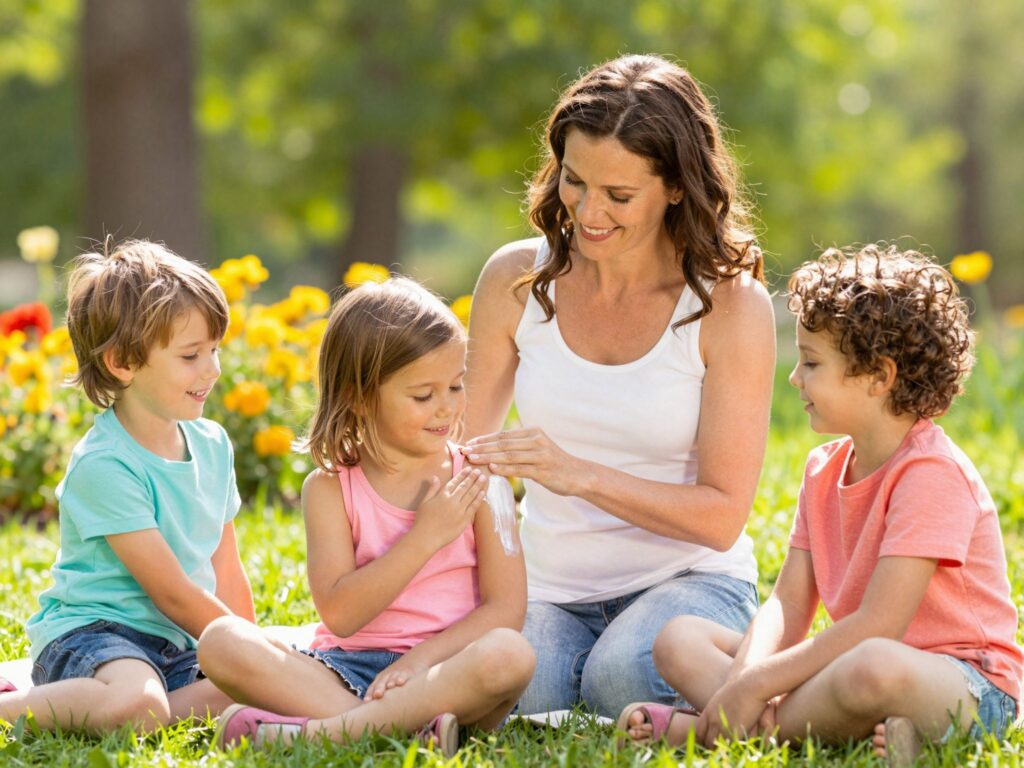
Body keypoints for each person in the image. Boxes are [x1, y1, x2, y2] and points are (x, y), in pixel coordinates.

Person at [619, 245, 1022, 766]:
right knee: (679, 638)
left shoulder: (931, 474)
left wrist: (759, 684)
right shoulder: (822, 469)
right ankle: (824, 727)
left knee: (872, 666)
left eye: (811, 363)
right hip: (853, 665)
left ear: (880, 376)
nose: (795, 378)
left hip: (965, 686)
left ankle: (713, 731)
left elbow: (879, 625)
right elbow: (787, 603)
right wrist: (748, 677)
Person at [462, 53, 775, 717]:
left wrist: (580, 475)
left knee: (619, 679)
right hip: (549, 587)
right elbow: (461, 450)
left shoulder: (729, 306)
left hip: (689, 583)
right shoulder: (516, 280)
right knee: (519, 684)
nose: (588, 212)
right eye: (575, 182)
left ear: (676, 187)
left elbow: (722, 517)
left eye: (619, 196)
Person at [198, 277, 535, 755]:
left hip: (446, 671)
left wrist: (419, 663)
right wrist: (425, 538)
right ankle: (402, 728)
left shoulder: (482, 481)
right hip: (345, 669)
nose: (448, 407)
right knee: (221, 641)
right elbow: (341, 616)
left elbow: (507, 612)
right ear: (359, 396)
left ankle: (330, 733)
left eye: (457, 385)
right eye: (423, 395)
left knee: (510, 655)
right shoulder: (330, 487)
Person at [0, 239, 255, 733]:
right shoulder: (105, 465)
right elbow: (174, 594)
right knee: (142, 704)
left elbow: (226, 563)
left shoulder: (213, 443)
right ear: (122, 363)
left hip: (175, 645)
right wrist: (246, 654)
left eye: (214, 349)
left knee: (268, 681)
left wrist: (254, 653)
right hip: (95, 637)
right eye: (190, 355)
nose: (213, 369)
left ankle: (89, 702)